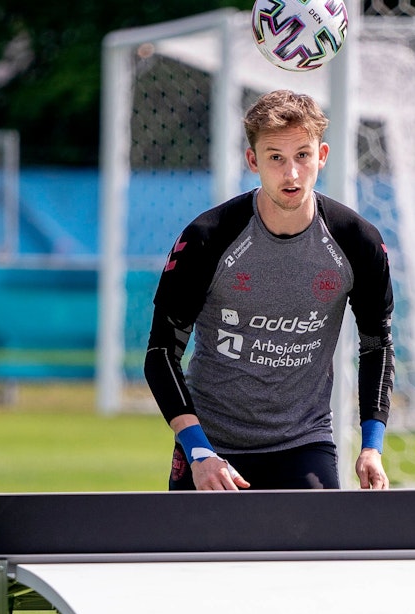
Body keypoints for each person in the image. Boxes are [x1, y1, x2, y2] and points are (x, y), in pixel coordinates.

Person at [144, 89, 396, 491]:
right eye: (276, 157)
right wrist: (197, 451)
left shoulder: (357, 241)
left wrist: (371, 447)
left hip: (303, 443)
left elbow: (376, 345)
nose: (291, 173)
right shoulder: (207, 238)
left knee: (321, 534)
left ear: (322, 155)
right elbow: (160, 353)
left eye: (302, 155)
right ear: (253, 161)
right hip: (211, 449)